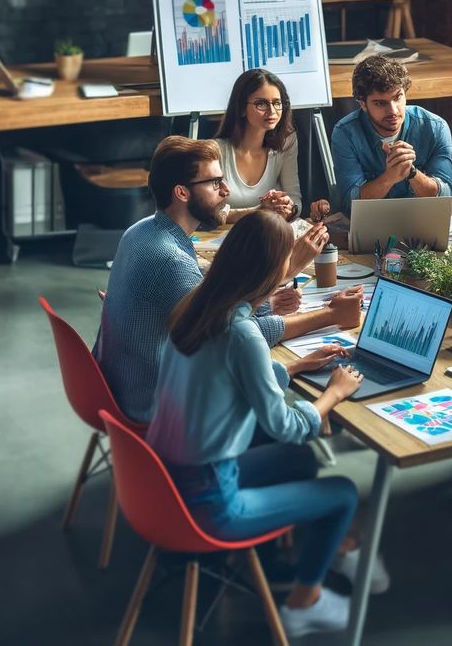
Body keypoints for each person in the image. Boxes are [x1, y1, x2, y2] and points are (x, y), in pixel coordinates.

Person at [146, 210, 376, 637]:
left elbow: (223, 372)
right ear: (270, 270)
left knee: (301, 463)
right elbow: (286, 424)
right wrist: (334, 393)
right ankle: (303, 602)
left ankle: (301, 560)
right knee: (343, 492)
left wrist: (294, 368)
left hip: (162, 482)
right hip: (209, 504)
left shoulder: (196, 303)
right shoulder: (242, 332)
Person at [94, 136, 363, 424]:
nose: (226, 191)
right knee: (299, 452)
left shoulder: (141, 231)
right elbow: (242, 333)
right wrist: (327, 311)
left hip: (123, 392)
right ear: (182, 193)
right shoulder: (172, 261)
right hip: (160, 413)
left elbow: (217, 308)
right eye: (214, 183)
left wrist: (292, 363)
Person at [330, 55, 452, 215]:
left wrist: (412, 173)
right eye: (380, 103)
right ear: (362, 104)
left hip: (423, 218)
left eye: (397, 97)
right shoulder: (346, 133)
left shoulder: (435, 127)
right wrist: (390, 177)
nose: (393, 111)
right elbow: (350, 205)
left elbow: (447, 199)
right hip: (372, 221)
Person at [211, 69, 303, 224]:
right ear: (241, 108)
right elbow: (210, 212)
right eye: (261, 104)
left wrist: (288, 208)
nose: (272, 111)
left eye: (277, 103)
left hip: (268, 236)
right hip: (225, 241)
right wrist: (259, 211)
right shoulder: (215, 151)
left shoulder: (286, 142)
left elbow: (295, 200)